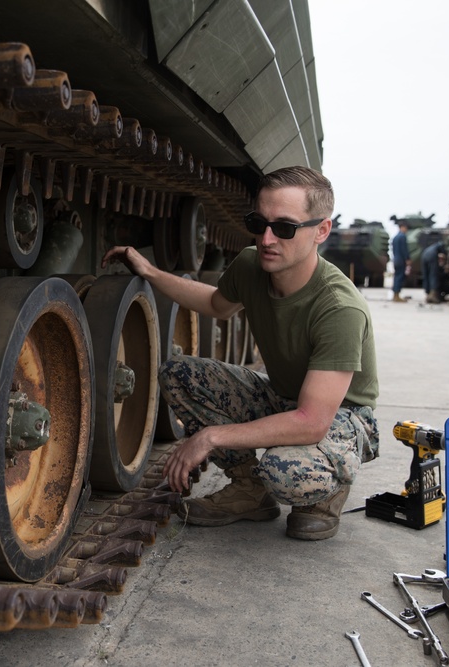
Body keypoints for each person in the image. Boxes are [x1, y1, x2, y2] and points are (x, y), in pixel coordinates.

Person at [100, 166, 379, 541]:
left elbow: (312, 421)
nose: (266, 238)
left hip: (341, 416)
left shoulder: (339, 309)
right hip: (284, 398)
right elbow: (216, 303)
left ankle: (326, 489)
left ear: (321, 231)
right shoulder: (251, 265)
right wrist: (151, 272)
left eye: (284, 227)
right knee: (179, 375)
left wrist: (211, 436)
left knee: (285, 471)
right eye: (258, 222)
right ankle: (250, 491)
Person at [390, 221, 410, 302]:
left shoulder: (395, 237)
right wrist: (407, 259)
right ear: (402, 227)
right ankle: (397, 296)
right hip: (401, 260)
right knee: (399, 277)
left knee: (396, 277)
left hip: (395, 259)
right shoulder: (402, 237)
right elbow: (404, 249)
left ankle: (395, 296)